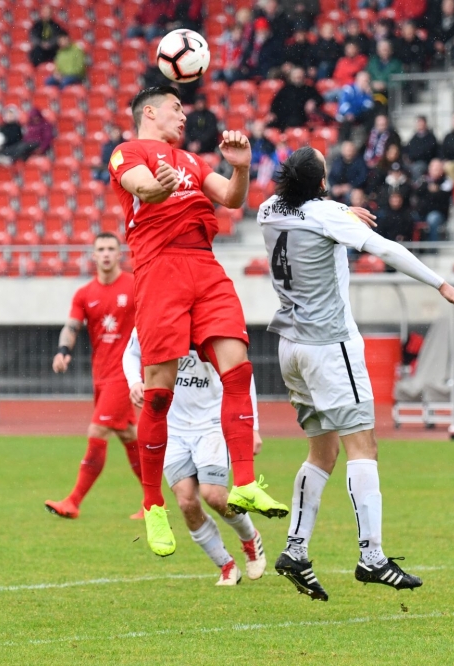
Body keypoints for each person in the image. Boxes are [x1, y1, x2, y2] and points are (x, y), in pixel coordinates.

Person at [258, 146, 454, 600]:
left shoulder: (267, 210)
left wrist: (336, 208)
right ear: (320, 183)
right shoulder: (327, 215)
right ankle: (371, 555)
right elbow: (387, 248)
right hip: (329, 345)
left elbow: (309, 206)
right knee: (364, 446)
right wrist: (443, 284)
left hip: (290, 346)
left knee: (323, 453)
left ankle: (296, 548)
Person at [107, 86, 288, 558]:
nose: (183, 115)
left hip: (203, 264)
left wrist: (242, 166)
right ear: (149, 113)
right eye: (175, 107)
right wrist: (159, 183)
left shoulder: (190, 160)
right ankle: (152, 505)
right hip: (160, 270)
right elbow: (144, 188)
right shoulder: (128, 152)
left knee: (237, 366)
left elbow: (230, 198)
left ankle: (245, 482)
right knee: (159, 392)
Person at [123, 329, 267, 586]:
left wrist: (252, 426)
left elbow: (242, 374)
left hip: (211, 423)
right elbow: (131, 352)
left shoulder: (210, 318)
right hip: (171, 426)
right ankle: (226, 565)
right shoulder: (158, 314)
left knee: (214, 495)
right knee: (187, 502)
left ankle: (249, 538)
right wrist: (134, 381)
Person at [45, 234, 142, 520]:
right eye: (101, 249)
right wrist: (63, 350)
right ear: (94, 255)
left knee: (97, 431)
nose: (106, 254)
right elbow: (71, 326)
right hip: (100, 375)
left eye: (111, 248)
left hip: (125, 374)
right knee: (128, 435)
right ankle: (154, 501)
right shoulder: (85, 293)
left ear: (119, 254)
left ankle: (73, 501)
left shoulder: (134, 285)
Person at [414, 158, 453, 242]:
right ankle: (413, 247)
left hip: (439, 212)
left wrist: (436, 191)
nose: (435, 171)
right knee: (409, 217)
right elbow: (417, 192)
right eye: (433, 168)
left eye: (438, 169)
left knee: (432, 218)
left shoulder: (446, 181)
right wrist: (430, 189)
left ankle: (432, 248)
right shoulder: (423, 180)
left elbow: (444, 196)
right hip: (422, 211)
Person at [403, 115, 439, 180]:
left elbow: (428, 152)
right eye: (418, 123)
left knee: (416, 169)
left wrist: (414, 157)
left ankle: (416, 187)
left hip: (424, 162)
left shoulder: (430, 137)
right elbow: (408, 149)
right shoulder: (414, 137)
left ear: (425, 124)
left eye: (421, 122)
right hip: (412, 162)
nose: (419, 124)